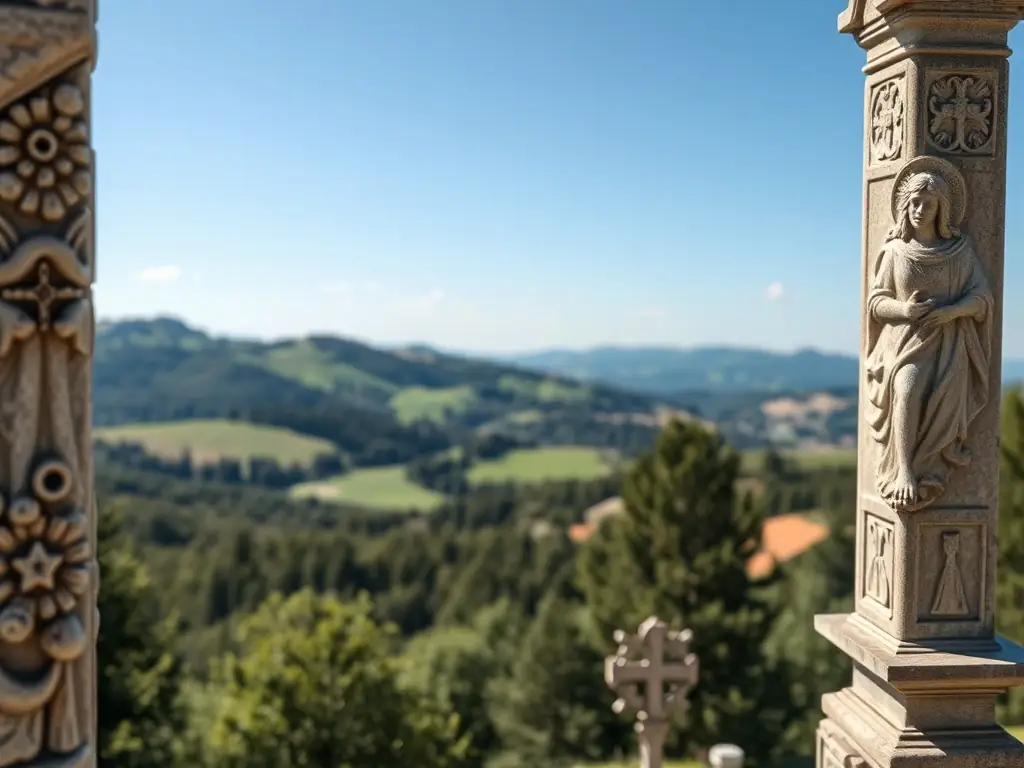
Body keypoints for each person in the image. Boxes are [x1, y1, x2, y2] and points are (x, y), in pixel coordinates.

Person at [865, 156, 992, 511]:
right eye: (915, 202)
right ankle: (904, 469)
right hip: (905, 345)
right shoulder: (894, 252)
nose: (921, 209)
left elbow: (982, 299)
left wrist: (951, 311)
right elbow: (876, 303)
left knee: (940, 393)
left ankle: (927, 463)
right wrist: (904, 310)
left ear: (942, 208)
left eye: (929, 203)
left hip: (949, 348)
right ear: (905, 206)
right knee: (905, 389)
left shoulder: (959, 252)